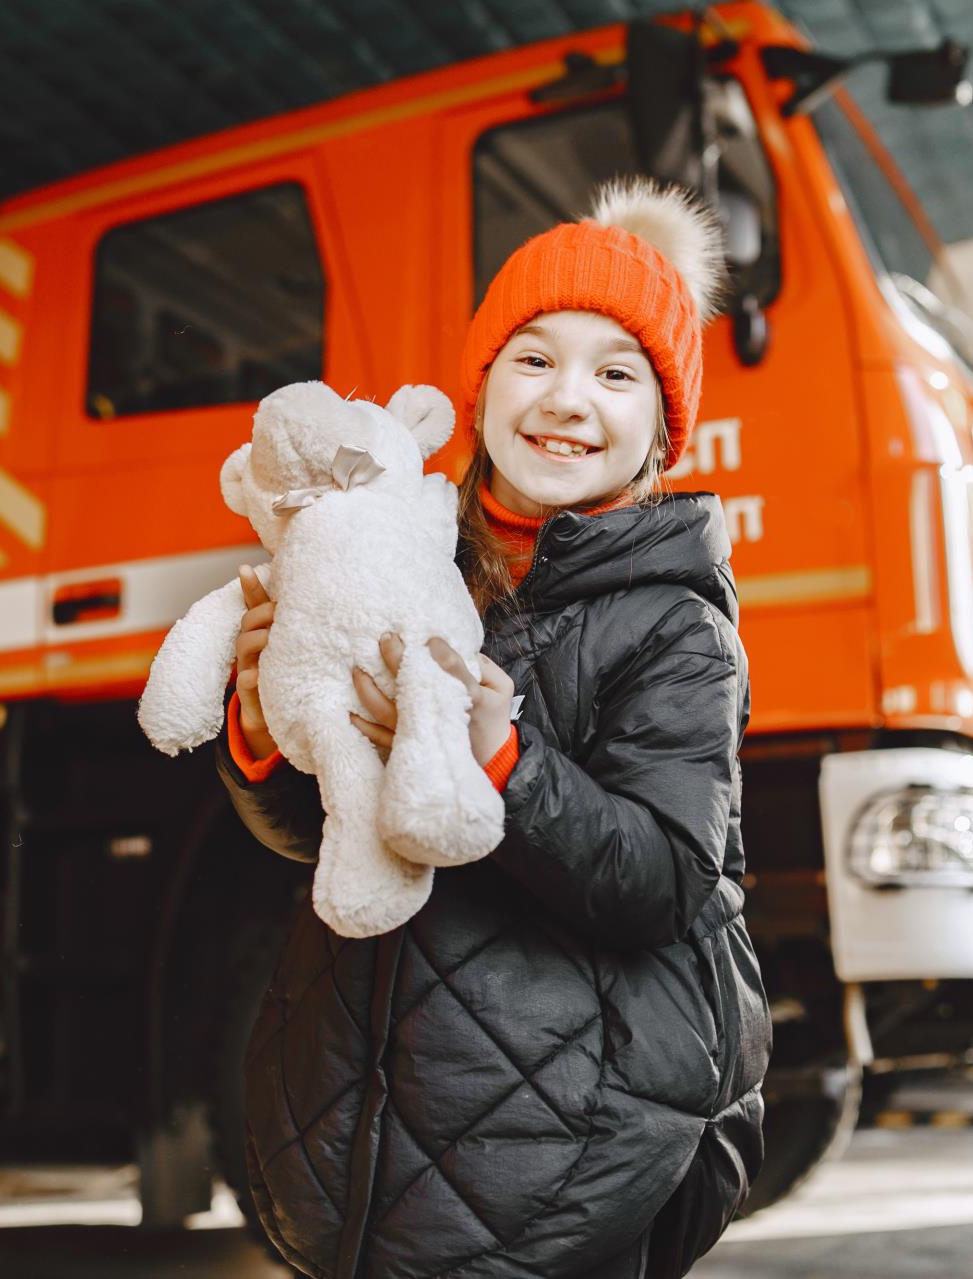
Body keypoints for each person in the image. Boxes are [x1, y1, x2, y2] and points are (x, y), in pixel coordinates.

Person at [216, 177, 770, 1278]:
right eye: (535, 357)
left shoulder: (675, 630)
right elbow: (318, 825)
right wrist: (265, 723)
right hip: (370, 1115)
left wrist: (500, 764)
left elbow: (663, 879)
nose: (569, 396)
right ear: (478, 388)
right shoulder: (406, 565)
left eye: (616, 373)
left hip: (568, 1140)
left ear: (662, 429)